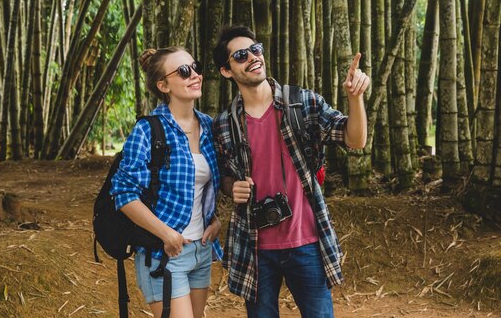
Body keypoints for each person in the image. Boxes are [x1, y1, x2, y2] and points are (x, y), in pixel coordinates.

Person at [212, 26, 370, 318]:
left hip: (306, 241)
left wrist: (354, 97)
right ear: (226, 70)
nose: (253, 57)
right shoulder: (224, 124)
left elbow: (354, 139)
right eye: (241, 55)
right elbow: (222, 176)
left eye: (256, 48)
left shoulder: (301, 103)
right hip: (255, 245)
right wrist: (231, 186)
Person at [111, 47, 222, 318]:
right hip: (164, 252)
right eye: (184, 71)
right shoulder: (148, 129)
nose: (195, 75)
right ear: (163, 85)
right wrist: (166, 234)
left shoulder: (209, 126)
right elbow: (123, 193)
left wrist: (214, 219)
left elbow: (202, 187)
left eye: (195, 67)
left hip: (201, 250)